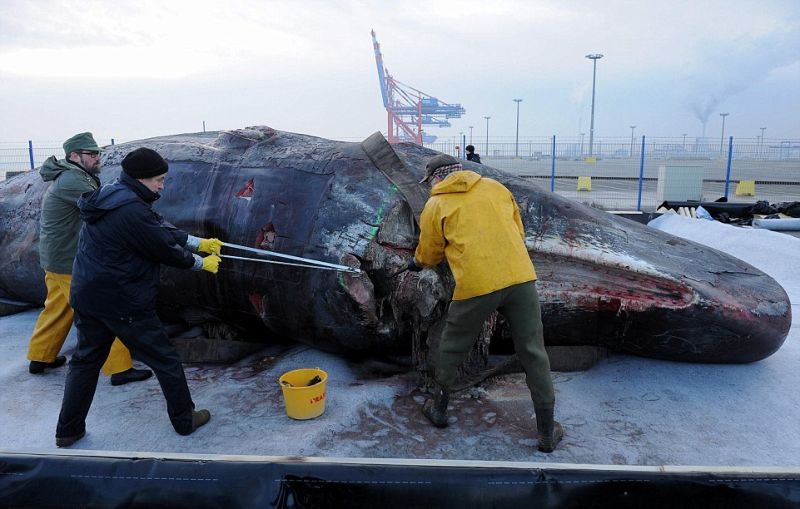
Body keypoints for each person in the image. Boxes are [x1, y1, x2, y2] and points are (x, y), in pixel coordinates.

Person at [55, 147, 222, 447]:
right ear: (141, 178)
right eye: (158, 179)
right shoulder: (130, 209)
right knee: (166, 359)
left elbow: (156, 224)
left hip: (89, 296)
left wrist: (195, 242)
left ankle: (68, 430)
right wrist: (199, 262)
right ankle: (185, 420)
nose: (162, 185)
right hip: (122, 301)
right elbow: (159, 244)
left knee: (85, 363)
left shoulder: (113, 194)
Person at [411, 153, 563, 453]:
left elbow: (430, 253)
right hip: (520, 277)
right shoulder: (495, 187)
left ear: (436, 178)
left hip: (477, 284)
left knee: (452, 346)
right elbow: (518, 230)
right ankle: (546, 432)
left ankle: (439, 409)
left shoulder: (436, 204)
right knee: (533, 352)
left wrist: (415, 263)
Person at [27, 132, 152, 386]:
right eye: (91, 154)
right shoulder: (74, 179)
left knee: (58, 307)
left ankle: (40, 356)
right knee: (105, 308)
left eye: (98, 153)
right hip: (69, 259)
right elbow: (103, 205)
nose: (98, 157)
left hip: (55, 256)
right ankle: (120, 368)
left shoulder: (72, 175)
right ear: (74, 156)